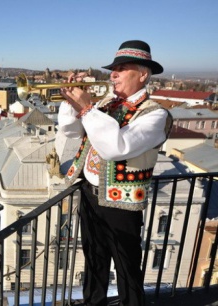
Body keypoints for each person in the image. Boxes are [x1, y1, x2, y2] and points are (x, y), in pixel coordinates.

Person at [58, 40, 172, 306]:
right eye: (113, 69)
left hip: (122, 204)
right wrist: (70, 103)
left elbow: (115, 147)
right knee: (94, 258)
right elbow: (71, 131)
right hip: (89, 193)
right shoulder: (109, 103)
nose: (113, 74)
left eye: (122, 68)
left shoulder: (155, 115)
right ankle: (92, 302)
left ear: (143, 74)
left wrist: (86, 109)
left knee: (126, 265)